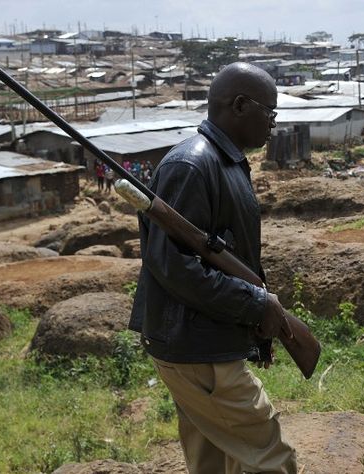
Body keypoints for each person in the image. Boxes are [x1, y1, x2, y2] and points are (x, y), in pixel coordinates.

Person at [129, 62, 297, 474]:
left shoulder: (223, 161)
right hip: (195, 346)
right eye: (270, 112)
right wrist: (255, 304)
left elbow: (230, 259)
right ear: (240, 105)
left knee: (213, 460)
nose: (274, 124)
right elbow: (174, 265)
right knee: (270, 456)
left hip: (198, 341)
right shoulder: (191, 165)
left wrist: (256, 318)